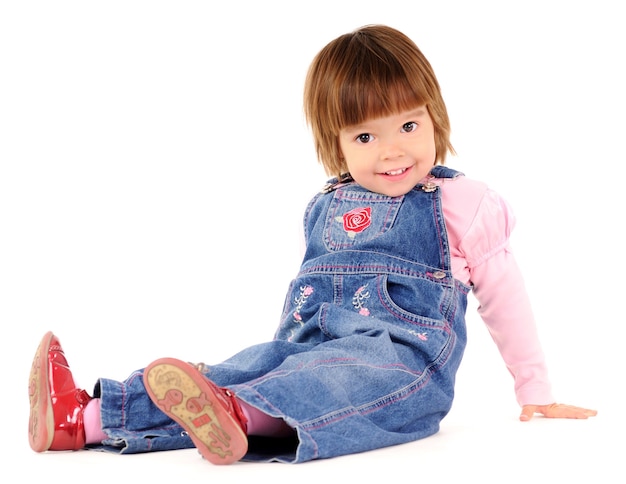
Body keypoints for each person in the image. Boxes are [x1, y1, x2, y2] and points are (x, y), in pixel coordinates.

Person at [28, 24, 597, 465]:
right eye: (366, 136)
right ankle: (89, 418)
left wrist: (535, 389)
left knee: (336, 376)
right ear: (337, 143)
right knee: (248, 366)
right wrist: (275, 358)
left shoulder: (460, 203)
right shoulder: (328, 205)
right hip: (310, 346)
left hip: (402, 369)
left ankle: (241, 415)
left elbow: (505, 295)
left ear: (434, 118)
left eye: (408, 126)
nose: (392, 151)